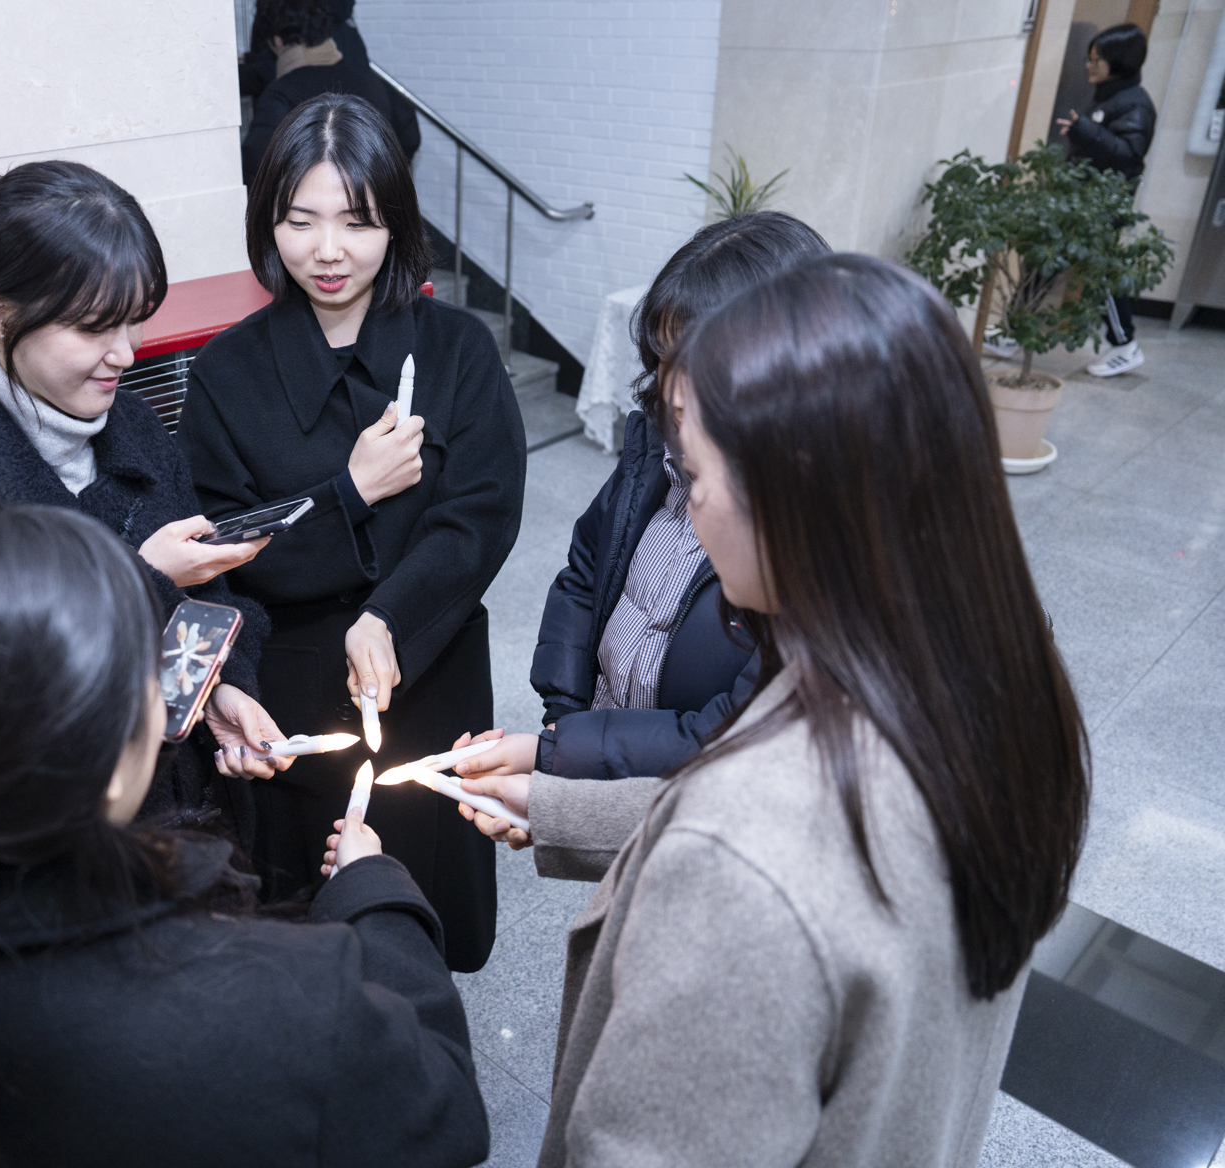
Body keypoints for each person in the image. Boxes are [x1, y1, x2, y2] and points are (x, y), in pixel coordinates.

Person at [456, 255, 1089, 1167]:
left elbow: (748, 850)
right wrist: (552, 802)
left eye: (698, 471)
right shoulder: (992, 679)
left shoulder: (742, 863)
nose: (688, 504)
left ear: (794, 495)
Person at [0, 503, 489, 1168]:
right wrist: (376, 898)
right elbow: (443, 1109)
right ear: (105, 752)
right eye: (152, 672)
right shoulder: (269, 995)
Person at [180, 93, 526, 972]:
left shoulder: (457, 350)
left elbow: (480, 516)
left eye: (357, 222)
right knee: (303, 931)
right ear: (269, 222)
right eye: (300, 221)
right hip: (292, 689)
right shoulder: (226, 372)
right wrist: (350, 493)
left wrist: (389, 616)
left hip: (430, 670)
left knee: (424, 909)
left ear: (395, 224)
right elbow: (224, 552)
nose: (327, 250)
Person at [0, 160, 288, 847]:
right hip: (60, 854)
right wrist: (136, 579)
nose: (125, 354)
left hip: (195, 823)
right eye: (95, 328)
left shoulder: (135, 427)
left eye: (135, 321)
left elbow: (207, 600)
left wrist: (221, 687)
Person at [456, 212, 829, 785]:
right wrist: (564, 722)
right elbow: (586, 571)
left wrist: (557, 757)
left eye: (700, 366)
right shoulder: (656, 444)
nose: (674, 394)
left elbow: (730, 735)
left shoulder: (803, 544)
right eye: (666, 360)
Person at [1058, 22, 1156, 377]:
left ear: (1119, 62)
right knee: (1045, 256)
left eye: (1097, 60)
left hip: (1102, 204)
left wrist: (1085, 132)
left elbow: (1128, 156)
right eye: (1090, 58)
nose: (1089, 65)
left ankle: (1125, 345)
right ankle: (1010, 332)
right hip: (1083, 199)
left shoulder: (1136, 105)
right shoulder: (1110, 95)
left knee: (1100, 271)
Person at [241, 0, 421, 186]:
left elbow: (257, 170)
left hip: (313, 200)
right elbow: (410, 136)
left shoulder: (280, 94)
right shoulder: (370, 81)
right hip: (368, 197)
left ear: (277, 40)